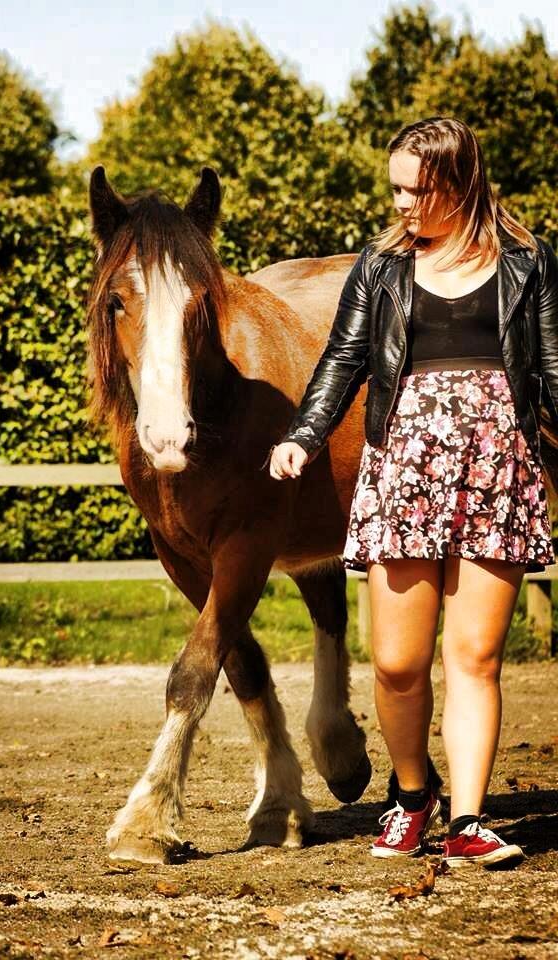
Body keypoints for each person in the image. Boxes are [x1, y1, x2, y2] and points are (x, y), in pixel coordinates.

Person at [269, 116, 558, 868]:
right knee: (397, 665)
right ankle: (410, 795)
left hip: (496, 469)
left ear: (457, 181)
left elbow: (554, 368)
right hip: (403, 471)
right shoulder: (381, 266)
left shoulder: (527, 262)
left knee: (475, 656)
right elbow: (342, 360)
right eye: (394, 186)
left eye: (415, 188)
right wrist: (303, 434)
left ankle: (467, 819)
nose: (400, 202)